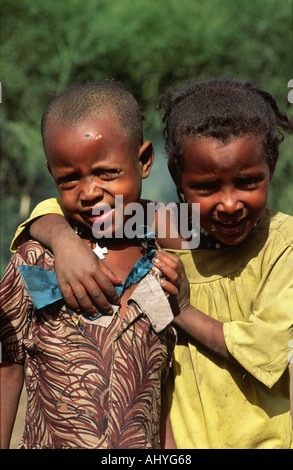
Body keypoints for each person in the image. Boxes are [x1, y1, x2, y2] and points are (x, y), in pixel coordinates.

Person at [7, 77, 293, 448]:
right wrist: (62, 239)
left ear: (270, 169)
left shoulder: (267, 240)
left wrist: (182, 310)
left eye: (247, 182)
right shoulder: (184, 228)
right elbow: (63, 205)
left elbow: (264, 348)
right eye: (206, 187)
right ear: (180, 181)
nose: (228, 204)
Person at [0, 81, 183, 449]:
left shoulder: (163, 267)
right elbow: (6, 370)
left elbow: (161, 392)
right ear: (52, 173)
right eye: (69, 179)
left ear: (144, 161)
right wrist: (61, 236)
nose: (89, 192)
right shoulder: (37, 264)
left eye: (107, 173)